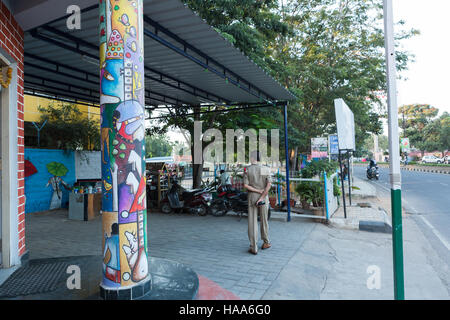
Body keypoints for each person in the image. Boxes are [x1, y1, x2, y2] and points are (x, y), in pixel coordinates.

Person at [243, 151, 272, 255]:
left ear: (252, 158)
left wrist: (257, 191)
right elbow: (269, 185)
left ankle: (253, 246)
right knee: (264, 220)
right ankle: (266, 242)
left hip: (252, 196)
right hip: (263, 197)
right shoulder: (264, 169)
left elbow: (245, 185)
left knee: (252, 221)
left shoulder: (247, 169)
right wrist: (262, 195)